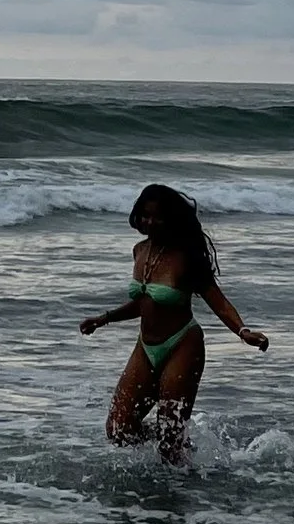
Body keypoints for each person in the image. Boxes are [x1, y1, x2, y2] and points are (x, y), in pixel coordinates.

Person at [78, 182, 268, 463]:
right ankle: (182, 445)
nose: (150, 222)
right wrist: (104, 319)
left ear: (171, 219)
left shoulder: (185, 257)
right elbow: (144, 303)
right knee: (119, 428)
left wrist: (242, 331)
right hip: (145, 347)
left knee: (169, 442)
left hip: (182, 344)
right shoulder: (140, 251)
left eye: (157, 217)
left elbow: (218, 301)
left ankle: (181, 470)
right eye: (145, 215)